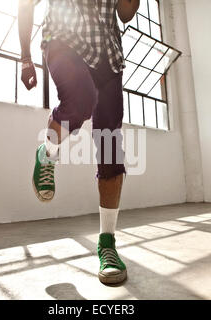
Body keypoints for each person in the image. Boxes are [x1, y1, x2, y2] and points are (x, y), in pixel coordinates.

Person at [18, 0, 139, 284]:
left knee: (110, 148)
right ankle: (47, 152)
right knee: (81, 100)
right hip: (63, 39)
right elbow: (25, 5)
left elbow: (125, 13)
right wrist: (25, 58)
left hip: (107, 56)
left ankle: (107, 244)